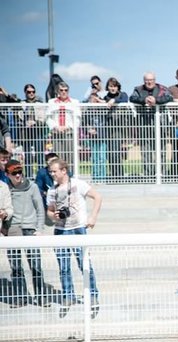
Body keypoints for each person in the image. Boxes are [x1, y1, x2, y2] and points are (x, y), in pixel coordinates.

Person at [46, 159, 102, 319]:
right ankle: (68, 296)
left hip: (78, 228)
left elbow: (97, 197)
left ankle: (92, 295)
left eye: (54, 171)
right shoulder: (52, 191)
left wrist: (93, 217)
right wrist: (53, 216)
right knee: (63, 267)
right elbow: (49, 211)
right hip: (60, 230)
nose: (52, 174)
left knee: (84, 264)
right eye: (51, 171)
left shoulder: (79, 184)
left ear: (64, 170)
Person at [4, 160, 47, 307]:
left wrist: (39, 229)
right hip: (13, 229)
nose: (18, 175)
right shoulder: (5, 189)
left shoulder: (32, 187)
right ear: (7, 174)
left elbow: (40, 209)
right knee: (15, 267)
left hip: (30, 229)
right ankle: (20, 297)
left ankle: (41, 296)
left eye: (19, 172)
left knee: (35, 265)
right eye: (14, 173)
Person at [129, 72, 173, 177]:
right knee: (145, 150)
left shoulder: (162, 88)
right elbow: (132, 98)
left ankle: (161, 173)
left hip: (160, 125)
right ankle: (148, 174)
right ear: (144, 81)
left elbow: (169, 97)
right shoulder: (138, 89)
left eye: (151, 80)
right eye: (147, 80)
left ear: (155, 80)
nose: (149, 82)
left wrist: (156, 101)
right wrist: (144, 100)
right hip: (144, 125)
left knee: (161, 150)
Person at [102, 77, 130, 181]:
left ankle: (119, 175)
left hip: (119, 127)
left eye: (114, 86)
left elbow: (125, 100)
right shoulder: (106, 97)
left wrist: (114, 100)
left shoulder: (123, 94)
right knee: (110, 152)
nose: (112, 88)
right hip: (109, 127)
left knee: (116, 151)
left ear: (118, 87)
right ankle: (113, 174)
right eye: (110, 86)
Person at [45, 81, 80, 164]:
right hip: (56, 133)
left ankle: (71, 175)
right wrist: (55, 127)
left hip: (69, 133)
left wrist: (68, 126)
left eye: (66, 90)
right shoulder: (52, 102)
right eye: (61, 90)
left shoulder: (74, 102)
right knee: (58, 156)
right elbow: (48, 118)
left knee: (71, 156)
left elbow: (77, 118)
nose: (64, 92)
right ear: (57, 91)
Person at [17, 83, 47, 177]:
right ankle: (29, 176)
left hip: (38, 132)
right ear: (25, 92)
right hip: (26, 133)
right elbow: (19, 116)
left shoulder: (40, 103)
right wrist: (25, 122)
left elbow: (43, 117)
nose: (31, 93)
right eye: (29, 92)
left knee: (40, 156)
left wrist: (35, 122)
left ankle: (41, 176)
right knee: (28, 156)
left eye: (33, 92)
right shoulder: (22, 104)